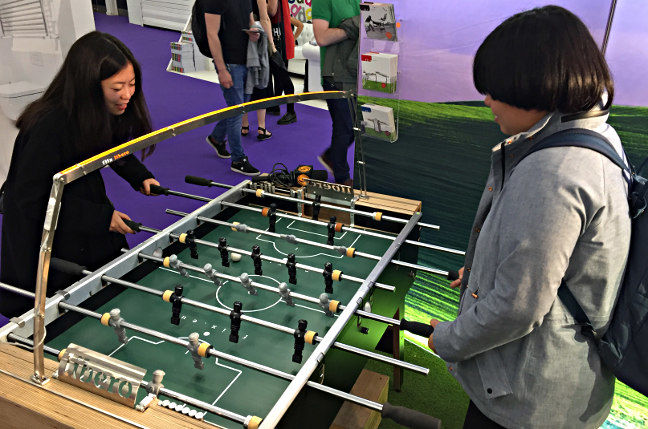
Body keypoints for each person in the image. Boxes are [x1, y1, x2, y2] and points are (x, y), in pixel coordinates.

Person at [428, 6, 630, 429]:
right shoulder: (596, 135)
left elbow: (517, 308)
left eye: (496, 90)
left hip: (530, 402)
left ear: (536, 86)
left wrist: (447, 339)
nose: (486, 100)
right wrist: (481, 272)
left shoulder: (553, 172)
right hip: (560, 387)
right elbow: (554, 265)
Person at [0, 31, 160, 318]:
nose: (127, 95)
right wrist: (100, 218)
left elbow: (109, 146)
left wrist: (139, 175)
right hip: (50, 240)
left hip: (81, 214)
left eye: (132, 84)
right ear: (89, 86)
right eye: (117, 88)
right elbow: (28, 202)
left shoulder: (91, 109)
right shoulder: (47, 127)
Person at [197, 0, 262, 176]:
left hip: (246, 59)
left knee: (239, 107)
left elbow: (249, 20)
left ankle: (216, 138)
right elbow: (212, 34)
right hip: (230, 64)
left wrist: (254, 30)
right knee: (237, 111)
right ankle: (238, 159)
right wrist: (222, 69)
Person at [312, 0, 360, 186]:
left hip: (355, 72)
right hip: (334, 75)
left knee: (355, 128)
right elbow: (321, 37)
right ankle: (341, 176)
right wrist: (352, 27)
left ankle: (332, 156)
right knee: (344, 126)